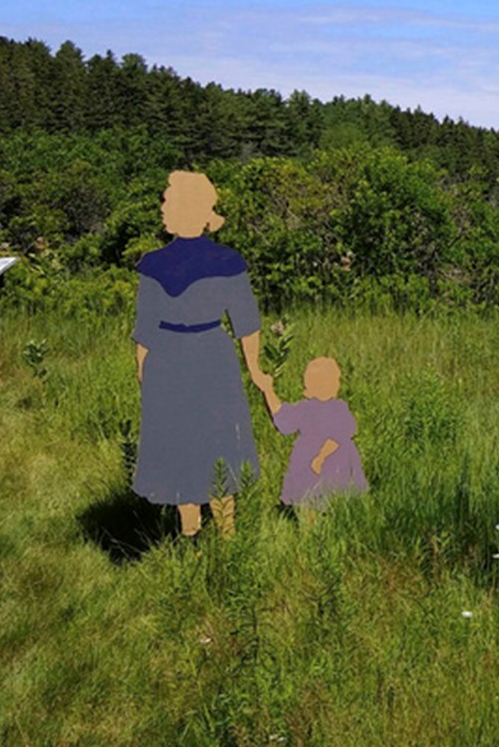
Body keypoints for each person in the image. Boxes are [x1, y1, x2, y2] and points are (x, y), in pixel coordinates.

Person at [132, 171, 274, 537]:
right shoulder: (229, 261)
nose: (162, 208)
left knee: (181, 443)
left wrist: (144, 375)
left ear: (184, 208)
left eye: (167, 201)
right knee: (219, 442)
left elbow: (144, 334)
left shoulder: (152, 264)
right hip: (213, 357)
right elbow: (247, 324)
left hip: (171, 359)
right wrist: (255, 370)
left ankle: (192, 532)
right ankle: (224, 535)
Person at [258, 356, 368, 508]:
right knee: (338, 496)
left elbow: (282, 418)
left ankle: (309, 525)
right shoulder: (339, 408)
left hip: (310, 462)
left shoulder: (305, 409)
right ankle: (337, 517)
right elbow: (345, 432)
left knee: (308, 498)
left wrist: (268, 391)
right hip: (339, 464)